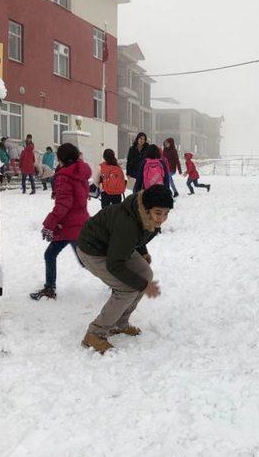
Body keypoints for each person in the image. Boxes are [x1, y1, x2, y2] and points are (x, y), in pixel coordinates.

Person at [77, 184, 173, 354]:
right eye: (158, 212)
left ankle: (120, 323)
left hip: (115, 246)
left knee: (145, 274)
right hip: (93, 250)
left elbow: (140, 235)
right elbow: (114, 264)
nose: (162, 218)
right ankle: (95, 334)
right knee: (128, 288)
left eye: (166, 213)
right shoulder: (127, 222)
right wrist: (143, 286)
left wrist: (143, 253)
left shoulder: (145, 214)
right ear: (147, 208)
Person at [30, 143, 91, 300]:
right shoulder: (79, 171)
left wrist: (49, 224)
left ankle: (117, 282)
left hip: (69, 225)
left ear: (61, 158)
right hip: (78, 223)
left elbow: (64, 204)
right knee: (52, 255)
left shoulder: (65, 176)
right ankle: (49, 288)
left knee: (87, 261)